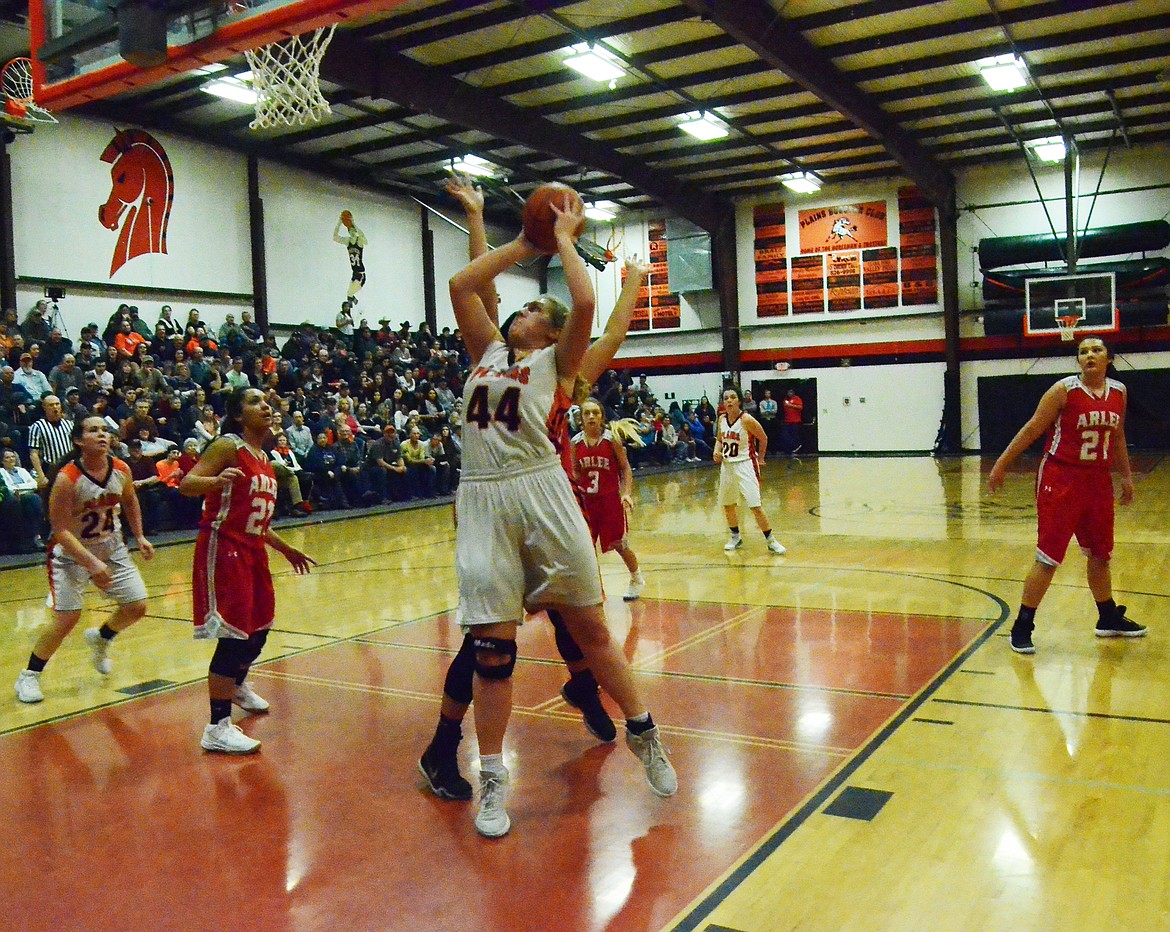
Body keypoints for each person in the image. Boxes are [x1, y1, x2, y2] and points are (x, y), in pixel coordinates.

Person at [435, 191, 675, 838]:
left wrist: (566, 241)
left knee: (590, 632)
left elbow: (597, 314)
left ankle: (643, 731)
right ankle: (490, 779)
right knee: (490, 651)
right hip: (483, 495)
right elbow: (464, 284)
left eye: (535, 305)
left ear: (550, 327)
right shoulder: (485, 353)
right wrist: (521, 240)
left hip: (543, 493)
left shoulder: (561, 364)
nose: (520, 310)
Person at [179, 387, 316, 754]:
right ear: (239, 415)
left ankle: (237, 684)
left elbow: (260, 517)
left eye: (268, 402)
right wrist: (215, 481)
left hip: (253, 549)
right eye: (256, 402)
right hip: (223, 547)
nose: (266, 407)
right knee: (234, 635)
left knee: (261, 629)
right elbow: (187, 483)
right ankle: (217, 726)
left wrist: (286, 548)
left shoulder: (265, 457)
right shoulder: (228, 445)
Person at [987, 337, 1143, 654]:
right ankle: (1022, 626)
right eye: (1083, 351)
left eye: (1096, 350)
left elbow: (1118, 435)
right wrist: (1001, 464)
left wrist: (1125, 475)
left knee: (1101, 554)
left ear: (1109, 358)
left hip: (1097, 481)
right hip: (1061, 478)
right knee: (1049, 557)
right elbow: (1032, 429)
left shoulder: (1119, 392)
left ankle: (1108, 617)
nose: (1089, 355)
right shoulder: (1063, 391)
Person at [14, 416, 155, 703]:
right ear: (79, 440)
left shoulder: (121, 468)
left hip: (111, 546)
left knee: (137, 606)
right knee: (67, 617)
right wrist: (91, 563)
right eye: (93, 431)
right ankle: (29, 676)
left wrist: (139, 535)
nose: (102, 435)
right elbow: (60, 530)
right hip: (70, 553)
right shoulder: (68, 478)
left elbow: (129, 500)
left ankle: (102, 637)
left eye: (105, 430)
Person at [572, 398, 646, 601]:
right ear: (581, 419)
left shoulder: (611, 439)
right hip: (587, 503)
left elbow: (625, 467)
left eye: (595, 412)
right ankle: (594, 589)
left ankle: (636, 578)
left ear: (602, 417)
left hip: (610, 501)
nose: (591, 416)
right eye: (587, 413)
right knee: (586, 548)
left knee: (619, 544)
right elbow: (575, 472)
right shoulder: (575, 443)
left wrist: (626, 493)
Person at [716, 386, 786, 554]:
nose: (729, 400)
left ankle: (771, 540)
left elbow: (763, 438)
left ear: (739, 400)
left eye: (733, 397)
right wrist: (716, 450)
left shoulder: (746, 419)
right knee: (728, 504)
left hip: (745, 464)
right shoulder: (721, 419)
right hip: (727, 466)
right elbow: (719, 439)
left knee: (755, 505)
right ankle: (735, 536)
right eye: (726, 398)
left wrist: (761, 458)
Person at [0, 448, 45, 552]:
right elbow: (9, 489)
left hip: (26, 497)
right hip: (12, 500)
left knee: (33, 500)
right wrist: (25, 488)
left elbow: (34, 484)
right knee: (32, 498)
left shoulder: (22, 470)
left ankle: (35, 537)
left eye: (12, 456)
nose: (11, 459)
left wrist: (18, 487)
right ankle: (33, 539)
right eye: (7, 457)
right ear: (2, 461)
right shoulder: (1, 472)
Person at [27, 394, 75, 491]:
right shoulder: (37, 426)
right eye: (51, 405)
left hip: (70, 467)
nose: (55, 407)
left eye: (57, 404)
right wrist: (41, 476)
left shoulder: (69, 424)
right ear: (44, 407)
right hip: (51, 468)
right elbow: (34, 453)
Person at [333, 211, 368, 304]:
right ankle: (356, 305)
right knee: (349, 296)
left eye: (354, 231)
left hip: (361, 273)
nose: (352, 232)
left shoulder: (359, 241)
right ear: (348, 231)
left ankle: (359, 304)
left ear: (356, 231)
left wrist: (354, 223)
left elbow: (366, 241)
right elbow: (335, 237)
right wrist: (339, 222)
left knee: (351, 293)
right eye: (350, 230)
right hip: (354, 273)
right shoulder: (347, 241)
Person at [781, 388, 804, 456]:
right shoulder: (785, 400)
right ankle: (789, 450)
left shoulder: (797, 399)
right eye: (788, 392)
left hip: (796, 421)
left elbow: (800, 407)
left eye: (791, 392)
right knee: (787, 436)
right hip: (788, 421)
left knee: (795, 435)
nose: (789, 393)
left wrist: (791, 405)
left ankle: (797, 448)